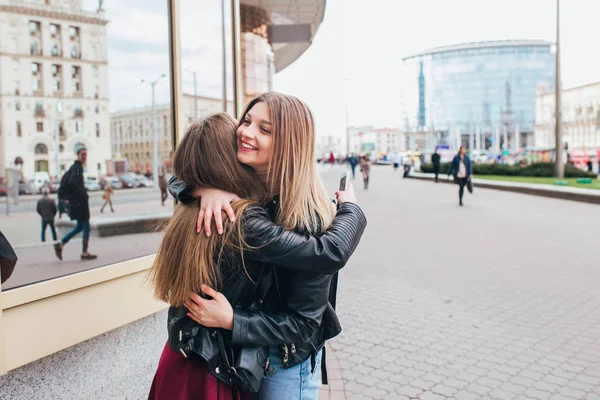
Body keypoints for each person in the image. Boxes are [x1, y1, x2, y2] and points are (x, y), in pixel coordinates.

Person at [148, 113, 365, 400]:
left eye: (263, 129)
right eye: (246, 126)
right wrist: (350, 208)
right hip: (216, 366)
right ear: (230, 160)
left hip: (183, 360)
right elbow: (329, 253)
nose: (248, 135)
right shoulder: (241, 217)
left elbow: (180, 174)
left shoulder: (192, 211)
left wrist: (201, 188)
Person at [54, 147, 97, 260]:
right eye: (82, 154)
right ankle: (84, 252)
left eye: (85, 155)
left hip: (77, 202)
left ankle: (60, 244)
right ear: (77, 155)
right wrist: (83, 193)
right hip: (80, 203)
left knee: (79, 227)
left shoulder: (76, 168)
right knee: (86, 226)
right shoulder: (77, 168)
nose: (84, 157)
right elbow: (72, 183)